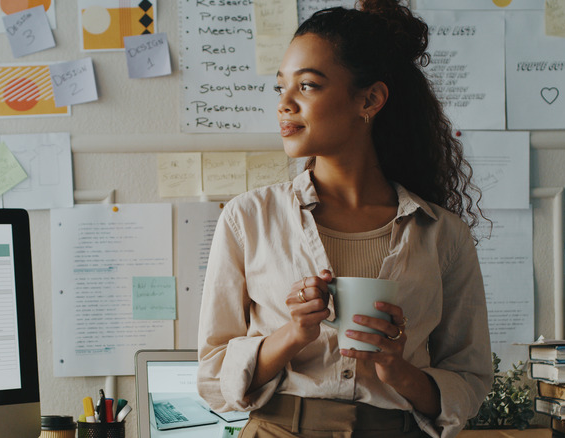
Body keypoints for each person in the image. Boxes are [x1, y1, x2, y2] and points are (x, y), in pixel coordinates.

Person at [197, 1, 493, 436]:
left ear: (370, 100)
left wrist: (399, 370)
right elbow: (212, 377)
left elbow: (469, 381)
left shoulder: (443, 233)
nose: (285, 105)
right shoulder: (248, 218)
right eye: (280, 89)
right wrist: (293, 334)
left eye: (308, 86)